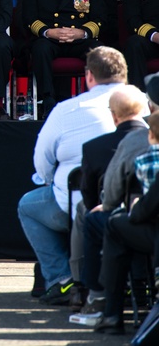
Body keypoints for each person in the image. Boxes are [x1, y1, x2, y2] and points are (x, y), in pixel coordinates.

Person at [16, 46, 126, 306]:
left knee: (28, 206)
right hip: (133, 208)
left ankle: (61, 279)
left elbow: (42, 161)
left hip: (74, 205)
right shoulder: (145, 103)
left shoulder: (66, 110)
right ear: (124, 74)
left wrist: (49, 180)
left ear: (89, 76)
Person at [70, 84, 149, 321]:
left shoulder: (99, 147)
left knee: (92, 216)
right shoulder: (147, 137)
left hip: (139, 222)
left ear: (113, 114)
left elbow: (109, 194)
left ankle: (95, 294)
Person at [21, 0, 103, 116]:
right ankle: (48, 100)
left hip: (79, 39)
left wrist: (82, 33)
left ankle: (97, 101)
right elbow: (28, 17)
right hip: (50, 39)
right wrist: (48, 32)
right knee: (40, 48)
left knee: (99, 51)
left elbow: (99, 17)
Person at [93, 109, 159, 335]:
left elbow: (144, 209)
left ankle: (111, 311)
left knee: (114, 225)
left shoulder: (145, 158)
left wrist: (135, 207)